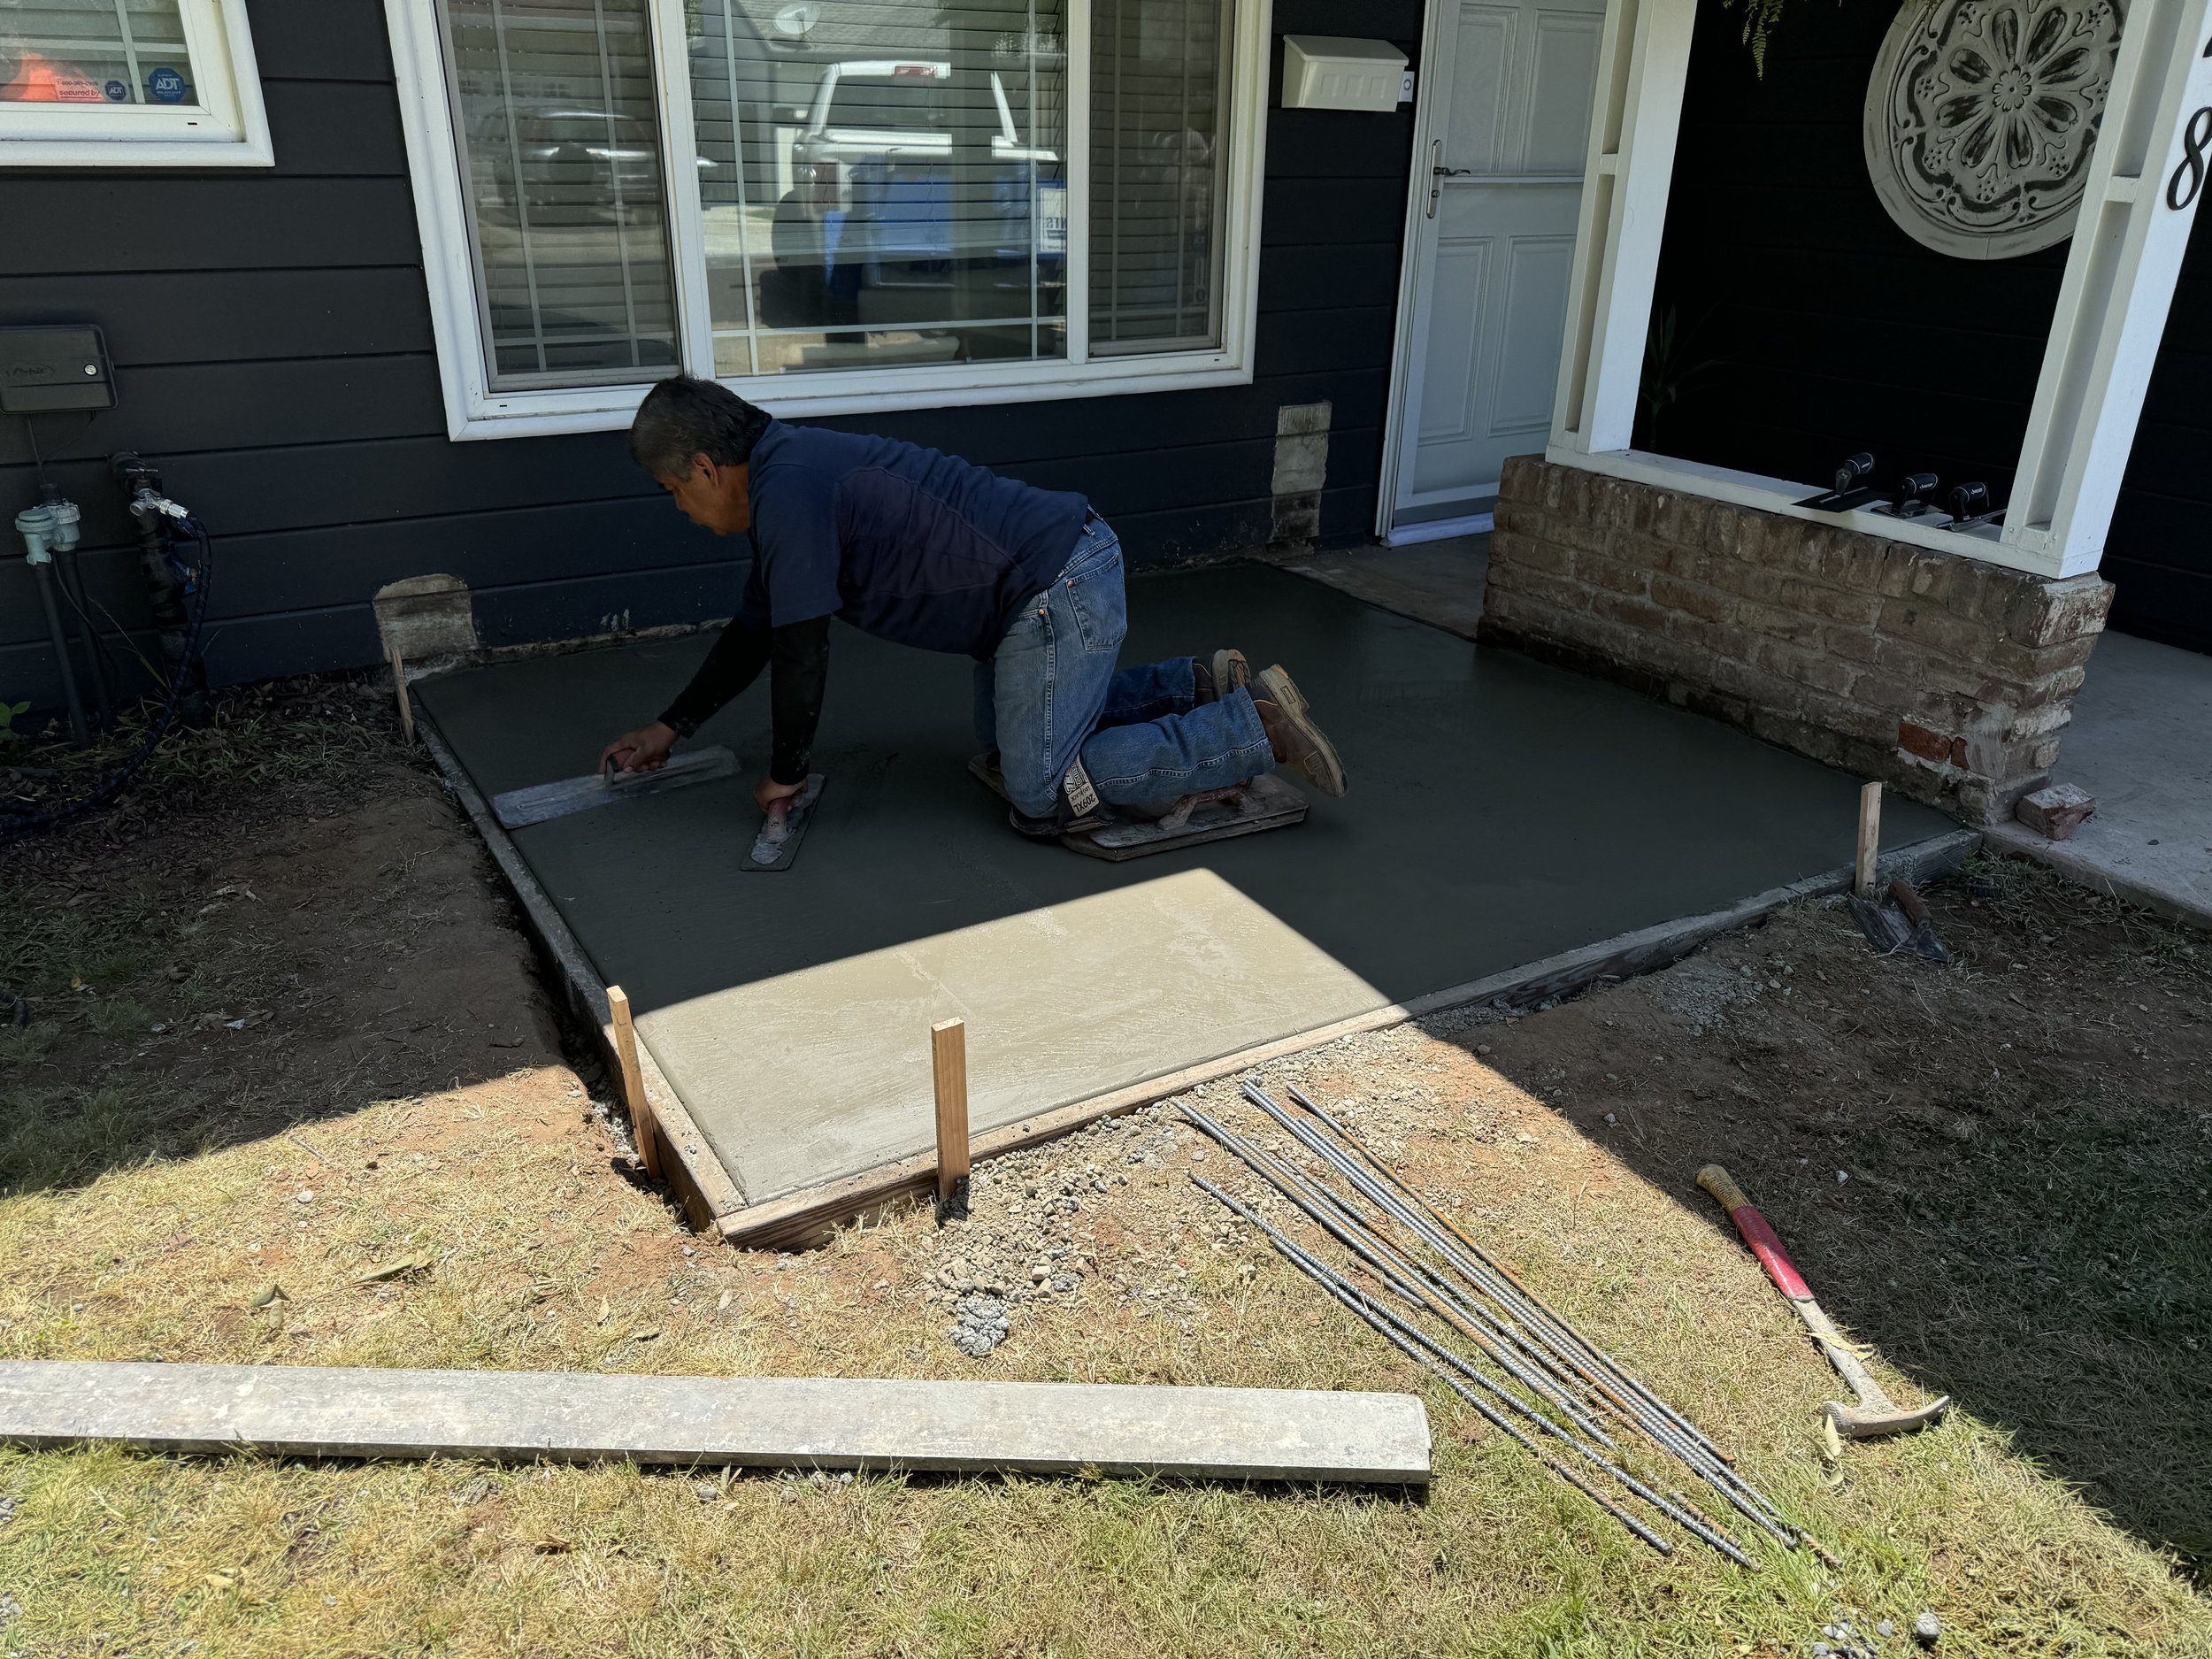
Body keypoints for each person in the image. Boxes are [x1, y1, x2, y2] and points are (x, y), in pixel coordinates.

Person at [600, 377, 1347, 837]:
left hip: (1056, 587)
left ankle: (1251, 727)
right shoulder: (786, 477)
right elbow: (758, 628)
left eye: (675, 493)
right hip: (1037, 598)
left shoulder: (788, 491)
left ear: (704, 466)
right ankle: (1194, 686)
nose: (684, 510)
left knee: (1042, 794)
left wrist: (787, 772)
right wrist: (671, 727)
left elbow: (802, 649)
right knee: (1005, 751)